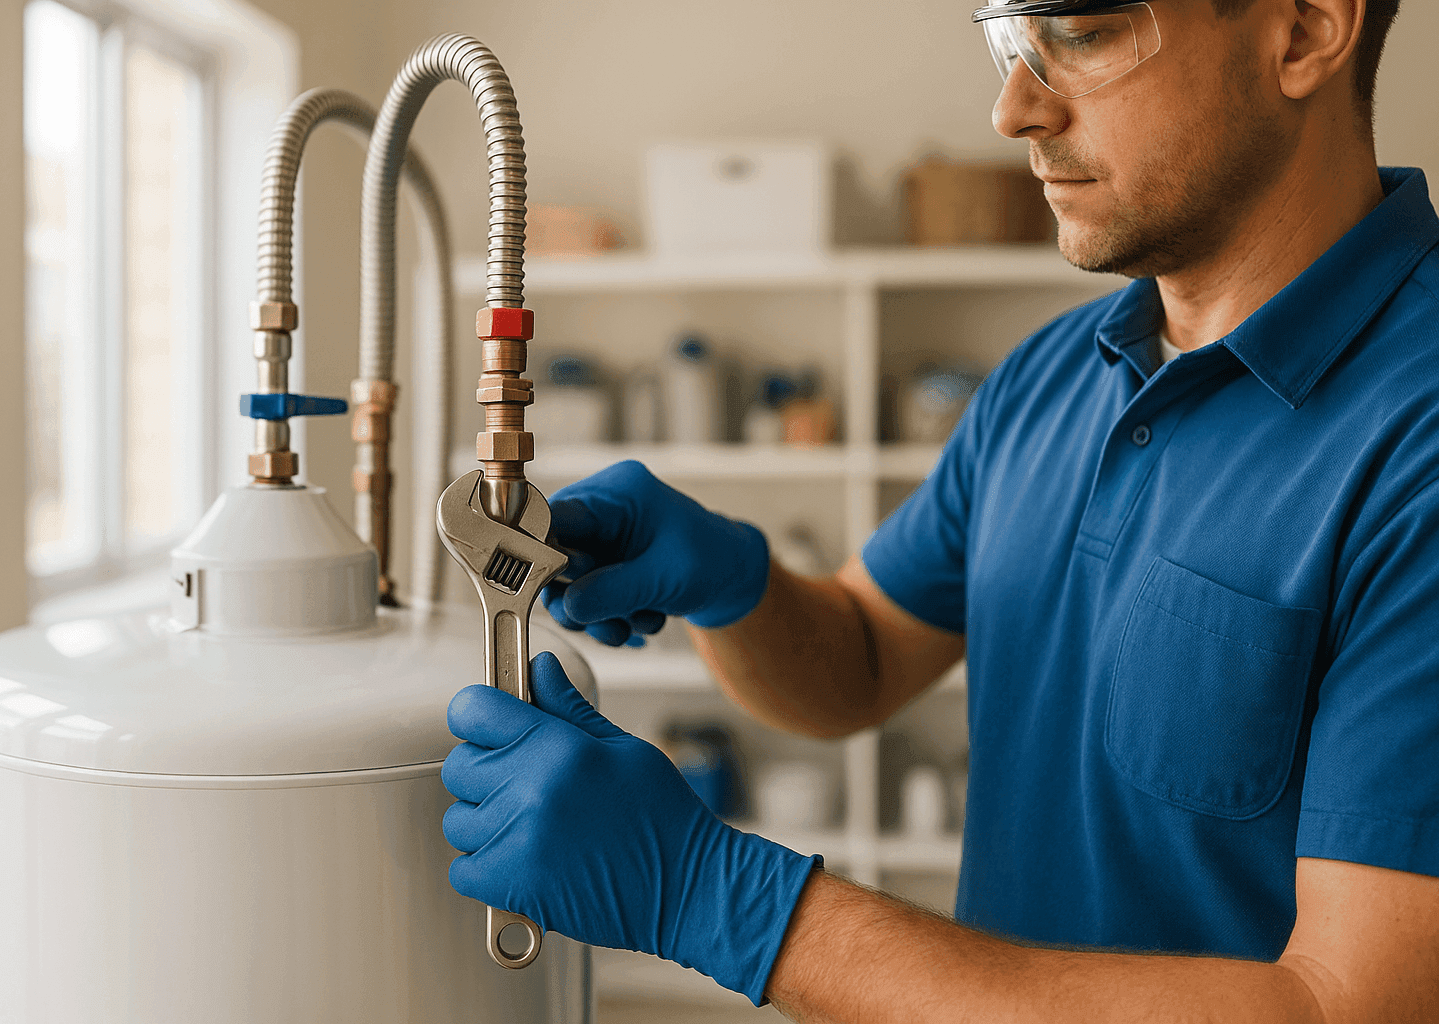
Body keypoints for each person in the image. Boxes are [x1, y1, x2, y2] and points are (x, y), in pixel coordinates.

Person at [440, 0, 1439, 1019]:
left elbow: (1351, 1004)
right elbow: (864, 656)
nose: (1013, 110)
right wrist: (733, 583)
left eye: (1082, 34)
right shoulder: (1049, 378)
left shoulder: (1419, 442)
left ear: (1308, 29)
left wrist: (711, 896)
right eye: (1011, 43)